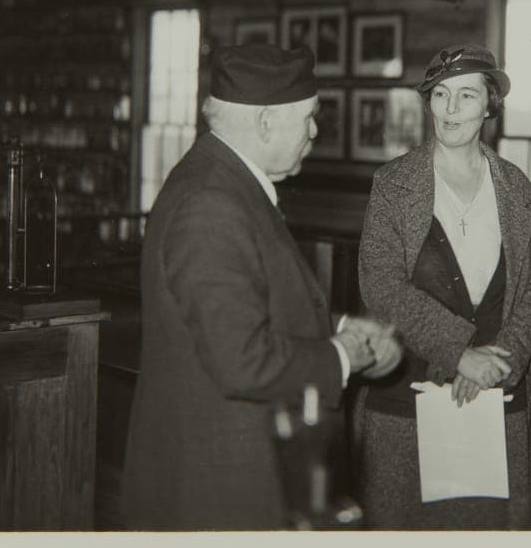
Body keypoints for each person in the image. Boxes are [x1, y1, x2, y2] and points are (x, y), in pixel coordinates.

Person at [121, 44, 402, 530]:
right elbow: (241, 359)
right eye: (310, 117)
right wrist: (341, 356)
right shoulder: (211, 202)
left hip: (228, 471)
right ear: (267, 121)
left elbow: (253, 300)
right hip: (218, 487)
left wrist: (339, 326)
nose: (315, 131)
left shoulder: (223, 183)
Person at [354, 44, 531, 528]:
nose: (450, 109)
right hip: (409, 406)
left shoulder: (516, 189)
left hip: (499, 403)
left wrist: (500, 357)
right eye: (440, 94)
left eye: (465, 96)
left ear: (489, 106)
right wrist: (458, 351)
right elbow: (380, 284)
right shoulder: (393, 185)